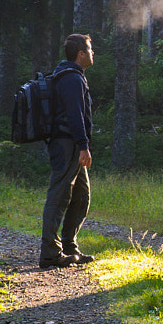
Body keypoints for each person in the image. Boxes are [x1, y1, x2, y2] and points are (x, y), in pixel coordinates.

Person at [40, 33, 98, 269]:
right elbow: (75, 115)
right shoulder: (71, 78)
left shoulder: (70, 76)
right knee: (60, 195)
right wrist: (83, 146)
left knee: (81, 196)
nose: (93, 54)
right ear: (80, 54)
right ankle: (50, 253)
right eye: (90, 50)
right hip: (68, 144)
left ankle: (69, 247)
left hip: (70, 143)